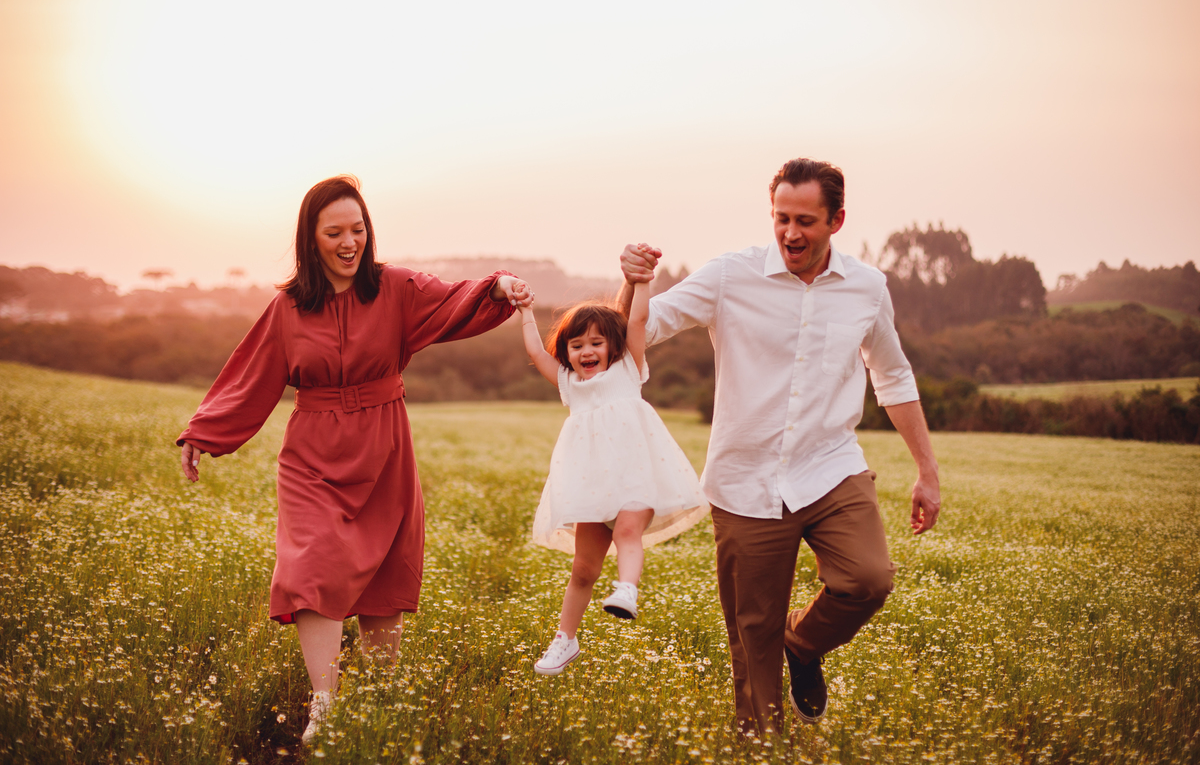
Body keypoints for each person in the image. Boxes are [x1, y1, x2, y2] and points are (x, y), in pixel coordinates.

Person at [176, 175, 530, 745]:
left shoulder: (396, 288)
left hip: (384, 445)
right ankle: (326, 704)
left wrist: (498, 286)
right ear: (310, 239)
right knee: (310, 566)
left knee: (383, 575)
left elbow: (454, 298)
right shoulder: (289, 308)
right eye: (334, 231)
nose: (349, 242)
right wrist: (205, 430)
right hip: (312, 453)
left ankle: (381, 700)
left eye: (358, 229)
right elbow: (252, 375)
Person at [619, 158, 941, 734]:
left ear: (836, 221)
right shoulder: (729, 276)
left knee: (868, 580)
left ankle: (804, 641)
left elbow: (893, 377)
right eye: (781, 218)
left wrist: (927, 470)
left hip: (830, 468)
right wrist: (634, 283)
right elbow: (644, 328)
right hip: (745, 482)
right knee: (753, 635)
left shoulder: (867, 289)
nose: (790, 233)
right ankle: (760, 743)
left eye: (805, 221)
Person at [516, 260, 709, 675]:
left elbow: (636, 317)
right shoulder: (570, 386)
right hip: (591, 487)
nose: (586, 352)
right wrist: (525, 311)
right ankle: (565, 640)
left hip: (638, 476)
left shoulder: (628, 369)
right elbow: (534, 350)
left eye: (596, 343)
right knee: (583, 569)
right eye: (576, 345)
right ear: (566, 353)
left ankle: (627, 590)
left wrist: (642, 281)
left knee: (627, 531)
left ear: (613, 347)